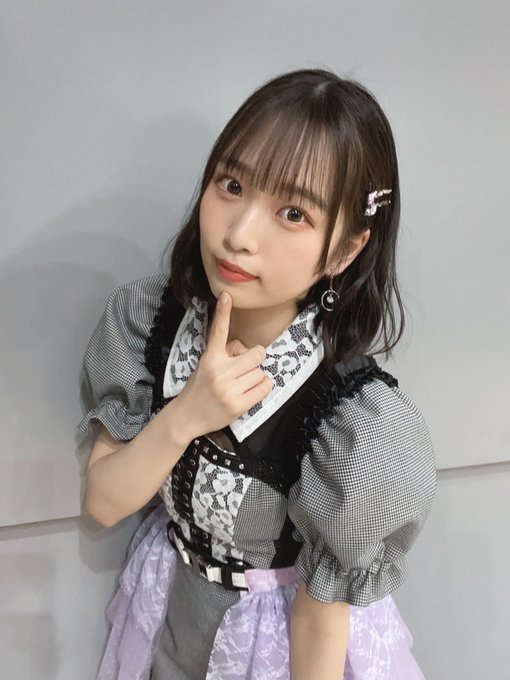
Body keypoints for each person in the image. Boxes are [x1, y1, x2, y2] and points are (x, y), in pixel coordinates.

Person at [79, 69, 437, 680]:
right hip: (165, 605)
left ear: (346, 249)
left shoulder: (355, 422)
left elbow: (319, 619)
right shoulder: (148, 320)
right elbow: (104, 503)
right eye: (232, 184)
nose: (238, 235)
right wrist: (188, 414)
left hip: (273, 647)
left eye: (293, 213)